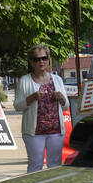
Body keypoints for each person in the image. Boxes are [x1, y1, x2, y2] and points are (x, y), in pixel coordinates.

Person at [14, 45, 68, 173]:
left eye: (44, 58)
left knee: (55, 165)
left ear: (48, 59)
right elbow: (17, 106)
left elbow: (66, 106)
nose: (41, 62)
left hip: (55, 131)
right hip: (34, 132)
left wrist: (61, 98)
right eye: (36, 59)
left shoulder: (57, 80)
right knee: (35, 166)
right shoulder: (25, 81)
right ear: (31, 62)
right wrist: (31, 98)